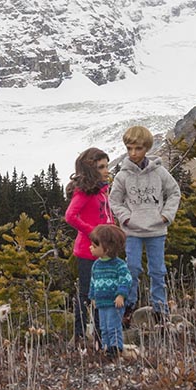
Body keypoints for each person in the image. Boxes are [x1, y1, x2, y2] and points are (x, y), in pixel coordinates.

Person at [109, 125, 181, 327]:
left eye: (138, 148)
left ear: (146, 148)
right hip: (132, 230)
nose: (133, 153)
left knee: (157, 270)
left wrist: (167, 215)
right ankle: (129, 306)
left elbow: (174, 192)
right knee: (131, 268)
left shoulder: (159, 171)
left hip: (157, 229)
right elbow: (114, 200)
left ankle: (160, 308)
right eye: (129, 148)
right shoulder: (122, 175)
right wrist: (126, 218)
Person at [65, 147, 114, 349]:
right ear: (90, 169)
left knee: (103, 292)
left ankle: (100, 335)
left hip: (104, 250)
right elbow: (70, 216)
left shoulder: (102, 191)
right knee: (86, 294)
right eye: (101, 167)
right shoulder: (84, 193)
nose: (106, 170)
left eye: (106, 166)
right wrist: (93, 232)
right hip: (88, 251)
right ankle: (79, 335)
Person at [88, 224, 133, 358]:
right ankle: (107, 347)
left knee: (113, 326)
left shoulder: (119, 265)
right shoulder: (96, 265)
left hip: (114, 303)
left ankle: (116, 348)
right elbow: (93, 282)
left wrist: (121, 294)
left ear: (107, 249)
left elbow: (126, 280)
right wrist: (93, 297)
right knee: (103, 327)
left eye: (95, 246)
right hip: (101, 303)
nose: (91, 248)